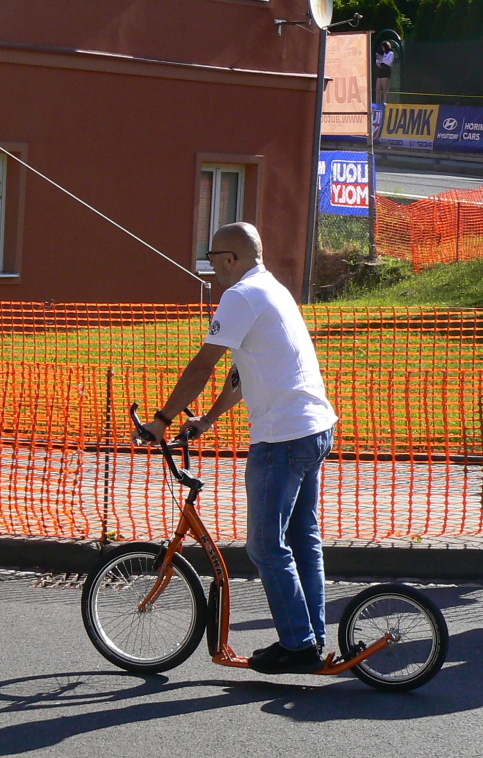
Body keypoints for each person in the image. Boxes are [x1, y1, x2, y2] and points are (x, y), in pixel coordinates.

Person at [137, 223, 338, 674]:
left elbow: (203, 366)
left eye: (212, 260)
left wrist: (162, 420)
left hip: (283, 438)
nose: (210, 270)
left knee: (265, 546)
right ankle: (311, 636)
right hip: (314, 429)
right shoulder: (272, 289)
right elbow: (242, 373)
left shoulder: (240, 296)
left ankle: (298, 645)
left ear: (230, 259)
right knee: (302, 538)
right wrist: (208, 419)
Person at [373, 41, 394, 105]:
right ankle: (377, 104)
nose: (382, 48)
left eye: (383, 47)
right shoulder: (383, 53)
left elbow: (389, 62)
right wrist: (378, 59)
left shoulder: (390, 53)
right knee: (377, 89)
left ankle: (385, 104)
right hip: (381, 70)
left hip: (386, 70)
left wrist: (382, 58)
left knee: (385, 89)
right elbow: (379, 62)